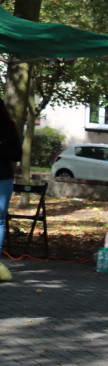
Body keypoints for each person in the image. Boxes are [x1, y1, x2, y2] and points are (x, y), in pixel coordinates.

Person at [0, 100, 21, 282]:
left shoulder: (8, 128)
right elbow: (16, 154)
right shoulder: (9, 126)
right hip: (4, 177)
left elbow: (16, 154)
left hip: (3, 177)